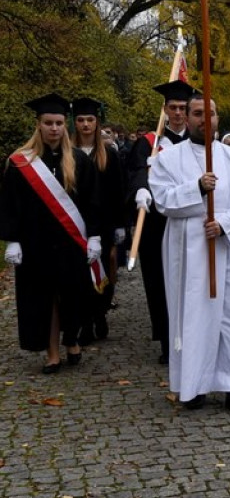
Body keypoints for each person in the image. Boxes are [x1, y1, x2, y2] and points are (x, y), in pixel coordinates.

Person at [148, 95, 230, 414]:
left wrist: (225, 224)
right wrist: (197, 188)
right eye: (197, 113)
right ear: (186, 117)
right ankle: (193, 385)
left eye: (210, 113)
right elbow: (163, 200)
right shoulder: (169, 159)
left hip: (227, 247)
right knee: (193, 317)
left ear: (217, 117)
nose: (204, 119)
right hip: (189, 252)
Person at [0, 94, 102, 373]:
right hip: (36, 244)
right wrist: (13, 240)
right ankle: (52, 352)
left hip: (71, 241)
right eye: (48, 123)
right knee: (43, 299)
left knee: (71, 295)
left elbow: (93, 201)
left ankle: (72, 341)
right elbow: (11, 204)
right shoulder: (20, 163)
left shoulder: (79, 160)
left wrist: (94, 235)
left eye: (58, 122)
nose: (54, 128)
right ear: (39, 125)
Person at [126, 79, 196, 364]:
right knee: (159, 281)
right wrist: (140, 187)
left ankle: (192, 338)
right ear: (165, 109)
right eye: (173, 108)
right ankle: (167, 341)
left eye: (183, 108)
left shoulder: (198, 142)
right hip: (157, 222)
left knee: (191, 281)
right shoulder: (149, 143)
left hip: (189, 220)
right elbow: (135, 169)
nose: (178, 113)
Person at [71, 97, 127, 343]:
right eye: (81, 120)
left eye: (90, 120)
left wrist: (120, 224)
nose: (85, 125)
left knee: (103, 268)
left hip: (103, 223)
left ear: (97, 122)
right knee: (79, 274)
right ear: (75, 123)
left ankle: (99, 313)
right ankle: (84, 322)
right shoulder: (66, 154)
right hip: (73, 221)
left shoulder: (109, 155)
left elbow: (119, 191)